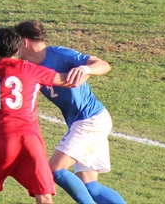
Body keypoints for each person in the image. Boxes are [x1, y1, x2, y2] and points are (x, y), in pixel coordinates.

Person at [15, 21, 126, 204]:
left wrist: (86, 68)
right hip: (86, 121)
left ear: (25, 42)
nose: (15, 48)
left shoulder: (58, 54)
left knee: (55, 170)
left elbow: (103, 64)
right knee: (92, 187)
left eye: (17, 43)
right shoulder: (29, 66)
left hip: (89, 120)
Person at [0, 27, 69, 204]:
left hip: (3, 139)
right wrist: (85, 69)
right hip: (31, 140)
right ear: (17, 50)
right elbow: (66, 80)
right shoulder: (31, 69)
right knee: (45, 198)